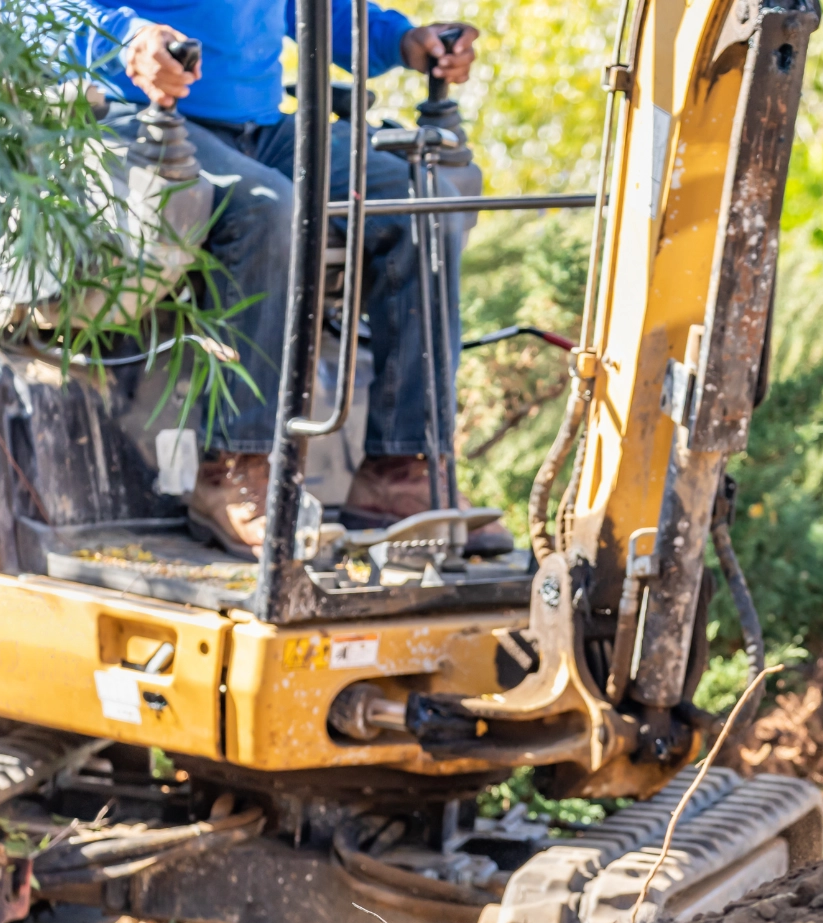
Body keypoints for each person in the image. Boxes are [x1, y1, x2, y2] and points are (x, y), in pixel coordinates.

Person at [67, 2, 510, 556]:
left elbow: (318, 12)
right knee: (271, 208)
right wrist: (128, 38)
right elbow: (27, 11)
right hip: (136, 116)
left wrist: (401, 40)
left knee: (422, 201)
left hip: (262, 127)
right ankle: (232, 467)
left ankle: (400, 469)